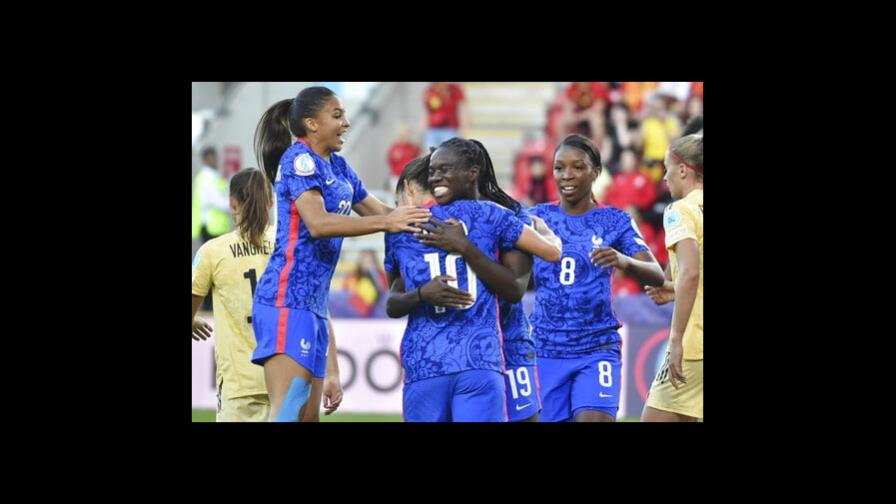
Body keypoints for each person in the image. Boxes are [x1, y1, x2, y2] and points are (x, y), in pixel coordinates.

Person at [251, 86, 431, 421]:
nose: (346, 123)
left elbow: (381, 212)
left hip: (315, 305)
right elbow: (318, 223)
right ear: (311, 123)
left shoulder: (339, 167)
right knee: (287, 412)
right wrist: (388, 221)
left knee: (307, 418)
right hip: (286, 299)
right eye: (337, 115)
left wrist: (426, 220)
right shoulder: (299, 160)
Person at [384, 143, 562, 422]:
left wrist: (463, 248)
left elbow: (516, 288)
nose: (437, 178)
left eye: (444, 170)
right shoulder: (495, 214)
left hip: (487, 347)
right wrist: (549, 234)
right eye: (433, 172)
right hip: (480, 355)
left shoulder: (400, 229)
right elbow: (550, 254)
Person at [529, 134, 665, 422]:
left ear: (596, 172)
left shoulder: (615, 220)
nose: (567, 175)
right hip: (546, 349)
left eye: (578, 167)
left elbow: (656, 274)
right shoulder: (536, 218)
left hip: (596, 348)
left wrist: (623, 260)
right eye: (559, 168)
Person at [191, 168, 345, 420]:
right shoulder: (291, 246)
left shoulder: (212, 252)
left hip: (240, 388)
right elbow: (317, 310)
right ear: (271, 202)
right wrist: (332, 373)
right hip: (288, 383)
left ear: (232, 204)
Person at [642, 133, 703, 422]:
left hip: (694, 343)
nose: (664, 177)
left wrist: (676, 339)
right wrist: (676, 288)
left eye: (667, 168)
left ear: (682, 170)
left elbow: (691, 272)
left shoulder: (680, 211)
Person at [423, 82, 466, 149]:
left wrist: (463, 127)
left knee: (448, 151)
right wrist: (423, 129)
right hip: (433, 129)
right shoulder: (430, 91)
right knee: (429, 151)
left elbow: (462, 109)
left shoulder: (454, 89)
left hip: (450, 129)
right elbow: (427, 111)